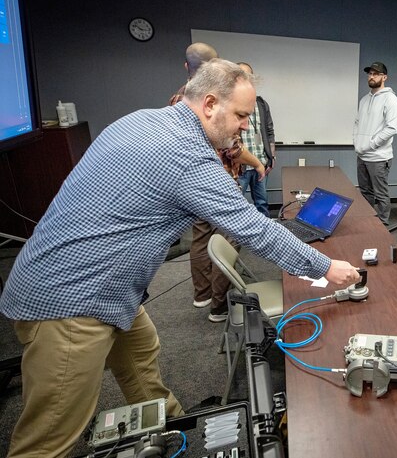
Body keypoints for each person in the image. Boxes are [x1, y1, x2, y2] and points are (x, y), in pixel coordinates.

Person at [0, 59, 360, 458]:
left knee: (141, 353)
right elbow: (253, 228)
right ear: (209, 104)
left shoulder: (142, 120)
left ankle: (174, 428)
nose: (245, 126)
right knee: (47, 439)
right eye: (241, 115)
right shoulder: (187, 155)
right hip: (71, 300)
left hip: (104, 288)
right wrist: (326, 267)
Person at [171, 43, 265, 321]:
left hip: (192, 190)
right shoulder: (217, 101)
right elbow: (233, 150)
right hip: (218, 185)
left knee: (200, 238)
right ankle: (218, 304)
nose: (244, 124)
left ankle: (201, 294)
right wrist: (258, 162)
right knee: (233, 235)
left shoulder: (177, 99)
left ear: (187, 67)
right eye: (241, 117)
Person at [353, 61, 397, 226]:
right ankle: (368, 222)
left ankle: (382, 225)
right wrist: (357, 143)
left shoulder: (391, 99)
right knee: (365, 192)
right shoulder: (364, 99)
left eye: (376, 74)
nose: (371, 76)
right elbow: (357, 123)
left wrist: (369, 145)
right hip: (362, 155)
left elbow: (391, 129)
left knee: (380, 194)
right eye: (370, 73)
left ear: (384, 77)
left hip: (379, 157)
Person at [236, 62, 276, 217]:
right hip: (241, 168)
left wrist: (271, 156)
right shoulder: (229, 103)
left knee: (262, 203)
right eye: (241, 75)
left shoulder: (261, 103)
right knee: (237, 207)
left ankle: (265, 238)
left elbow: (269, 131)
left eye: (248, 75)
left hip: (261, 163)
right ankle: (236, 241)